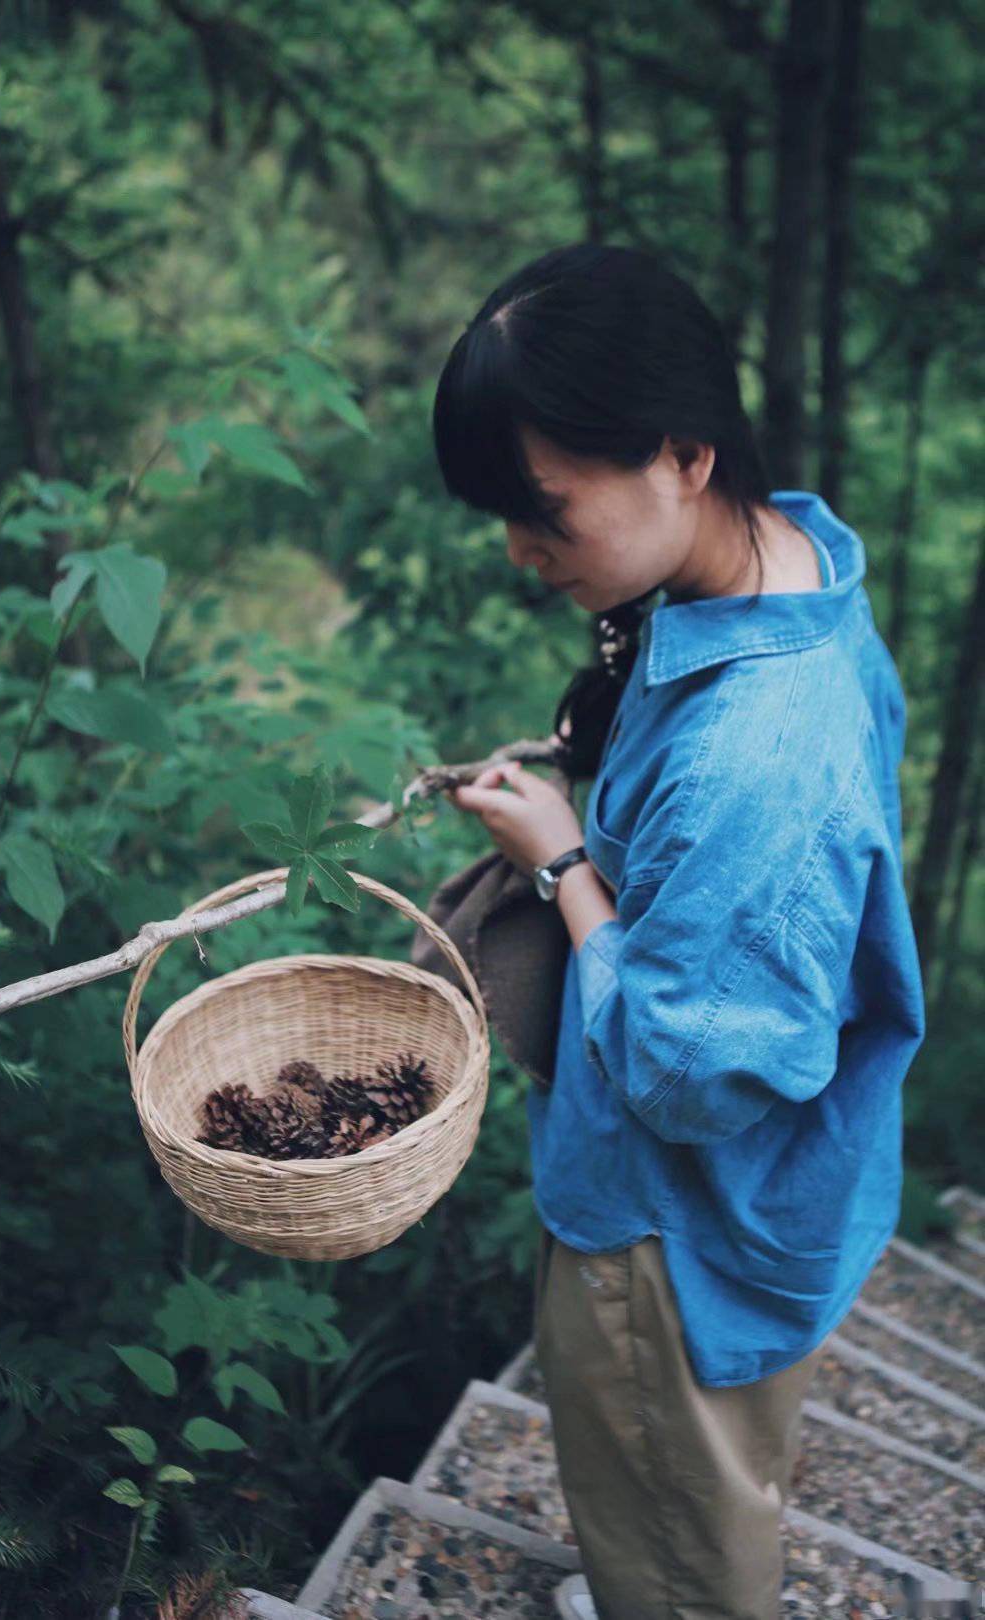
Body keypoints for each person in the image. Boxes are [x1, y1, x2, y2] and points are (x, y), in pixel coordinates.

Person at [432, 243, 927, 1620]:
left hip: (677, 1223)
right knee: (702, 1476)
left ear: (684, 454)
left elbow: (688, 1075)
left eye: (546, 512)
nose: (524, 553)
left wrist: (565, 861)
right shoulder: (794, 560)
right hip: (782, 1186)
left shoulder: (760, 756)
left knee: (670, 1491)